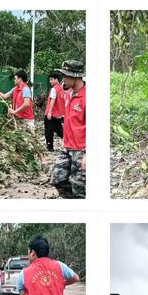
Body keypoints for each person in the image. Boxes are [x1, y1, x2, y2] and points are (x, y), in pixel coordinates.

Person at [51, 61, 86, 199]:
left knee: (80, 189)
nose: (63, 79)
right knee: (57, 179)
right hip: (67, 148)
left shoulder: (87, 97)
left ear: (75, 77)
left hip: (81, 150)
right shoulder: (68, 94)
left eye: (65, 75)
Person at [45, 73, 65, 152]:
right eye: (50, 79)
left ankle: (50, 147)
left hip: (52, 114)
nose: (50, 81)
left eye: (51, 79)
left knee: (48, 131)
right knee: (59, 130)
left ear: (56, 79)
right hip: (58, 114)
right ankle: (69, 140)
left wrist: (49, 112)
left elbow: (52, 100)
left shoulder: (54, 89)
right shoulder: (61, 88)